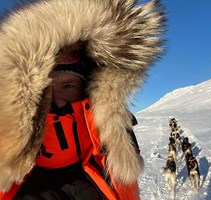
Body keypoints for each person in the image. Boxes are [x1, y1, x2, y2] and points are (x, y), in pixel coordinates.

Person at [0, 0, 166, 199]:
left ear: (89, 91)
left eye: (68, 86)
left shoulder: (113, 155)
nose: (57, 100)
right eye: (46, 89)